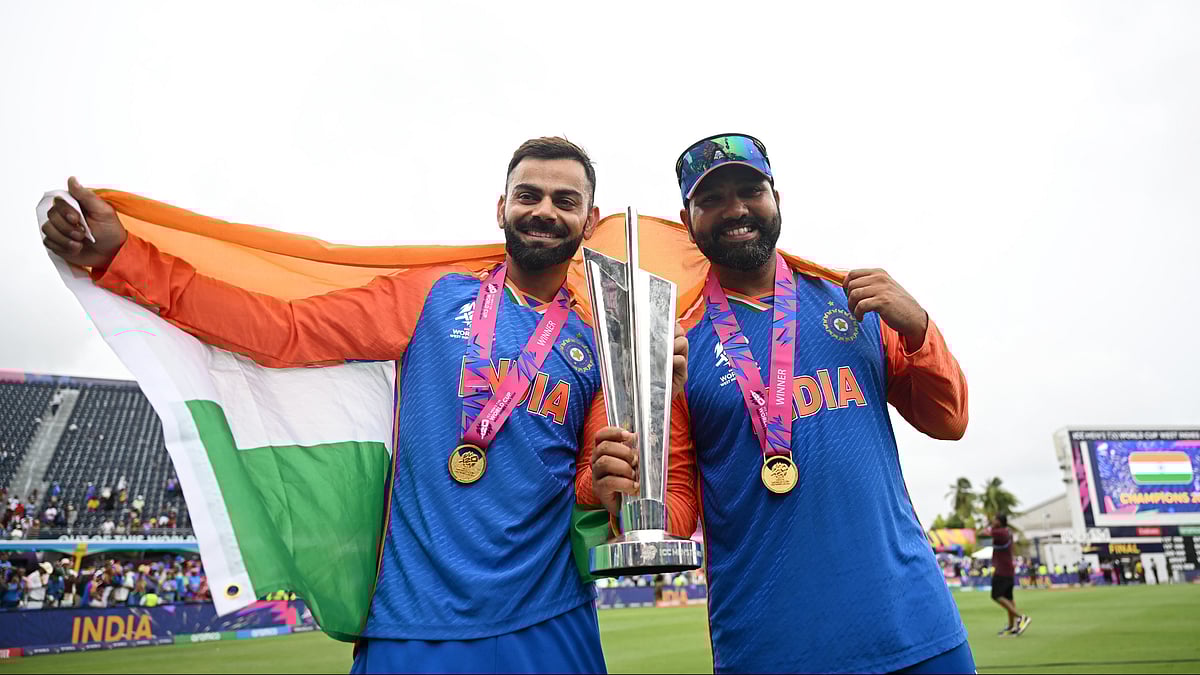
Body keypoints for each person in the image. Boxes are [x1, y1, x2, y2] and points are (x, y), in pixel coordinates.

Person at [41, 137, 688, 674]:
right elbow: (284, 329)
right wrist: (125, 259)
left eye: (564, 199)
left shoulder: (598, 337)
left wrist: (616, 472)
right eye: (529, 194)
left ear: (589, 215)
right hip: (412, 624)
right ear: (501, 207)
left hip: (548, 621)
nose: (544, 209)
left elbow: (589, 485)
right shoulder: (434, 296)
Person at [587, 133, 975, 672]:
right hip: (769, 647)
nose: (736, 209)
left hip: (916, 630)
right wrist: (625, 492)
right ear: (688, 217)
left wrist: (920, 328)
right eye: (711, 200)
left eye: (750, 190)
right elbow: (674, 513)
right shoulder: (673, 344)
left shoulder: (853, 303)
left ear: (776, 198)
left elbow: (949, 419)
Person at [982, 514, 1030, 636]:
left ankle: (1021, 617)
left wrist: (988, 524)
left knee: (996, 595)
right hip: (1008, 570)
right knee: (1008, 598)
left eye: (995, 519)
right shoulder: (1007, 532)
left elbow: (984, 535)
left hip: (1001, 570)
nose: (993, 521)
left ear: (1000, 522)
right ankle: (1011, 626)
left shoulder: (998, 532)